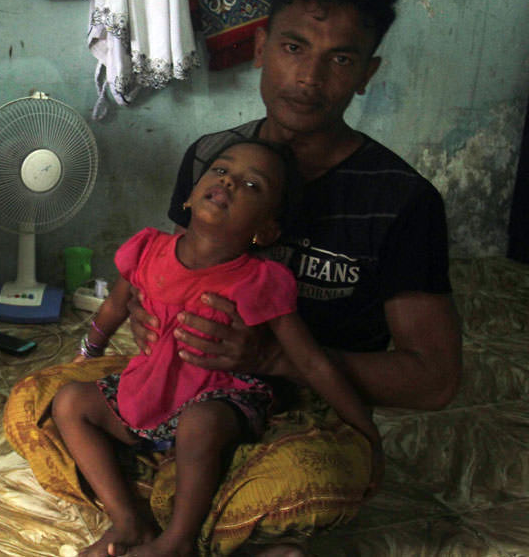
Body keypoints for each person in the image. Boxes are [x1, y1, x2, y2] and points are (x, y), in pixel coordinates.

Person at [3, 0, 462, 554]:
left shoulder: (401, 200)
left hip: (296, 406)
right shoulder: (210, 156)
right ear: (260, 46)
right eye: (294, 48)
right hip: (175, 380)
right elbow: (168, 267)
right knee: (33, 405)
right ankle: (200, 523)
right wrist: (143, 311)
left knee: (317, 477)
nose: (308, 78)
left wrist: (274, 357)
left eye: (340, 59)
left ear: (367, 72)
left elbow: (433, 381)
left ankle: (177, 514)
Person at [53, 140, 382, 557]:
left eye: (251, 184)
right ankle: (128, 521)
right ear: (189, 197)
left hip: (219, 399)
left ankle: (179, 541)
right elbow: (116, 305)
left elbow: (312, 363)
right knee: (67, 403)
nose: (228, 181)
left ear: (266, 229)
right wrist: (88, 352)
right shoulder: (148, 249)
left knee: (200, 423)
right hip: (151, 390)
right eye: (220, 170)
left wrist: (366, 432)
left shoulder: (259, 280)